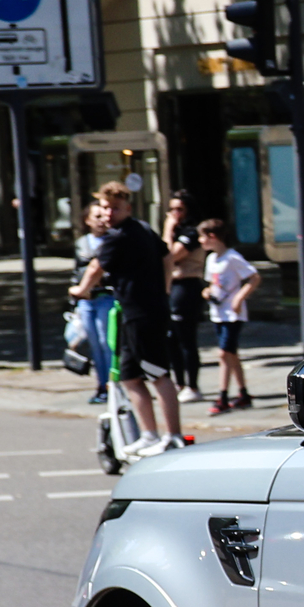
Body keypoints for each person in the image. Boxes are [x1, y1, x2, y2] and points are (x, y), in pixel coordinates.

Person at [70, 182, 182, 456]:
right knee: (130, 376)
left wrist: (80, 290)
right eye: (105, 208)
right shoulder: (142, 228)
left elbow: (96, 266)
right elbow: (167, 257)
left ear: (127, 208)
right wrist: (164, 287)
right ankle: (148, 434)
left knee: (157, 373)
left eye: (115, 208)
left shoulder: (118, 236)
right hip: (135, 311)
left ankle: (173, 436)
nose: (109, 213)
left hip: (142, 313)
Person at [197, 220, 259, 415]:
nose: (200, 241)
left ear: (213, 236)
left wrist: (240, 298)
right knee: (231, 354)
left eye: (202, 236)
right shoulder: (212, 259)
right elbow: (211, 284)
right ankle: (243, 393)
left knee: (223, 353)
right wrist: (207, 292)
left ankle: (222, 396)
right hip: (218, 313)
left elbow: (254, 277)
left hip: (233, 314)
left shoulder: (232, 257)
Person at [164, 192, 207, 403]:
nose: (175, 214)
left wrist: (167, 228)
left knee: (186, 339)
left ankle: (192, 385)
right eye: (172, 209)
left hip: (187, 286)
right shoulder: (177, 232)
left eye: (179, 209)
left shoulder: (191, 233)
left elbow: (169, 255)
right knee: (171, 339)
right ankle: (178, 382)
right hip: (172, 285)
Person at [70, 202, 113, 405]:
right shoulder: (82, 243)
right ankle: (101, 385)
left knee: (107, 343)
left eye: (103, 215)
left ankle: (113, 386)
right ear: (87, 221)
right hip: (87, 300)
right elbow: (76, 270)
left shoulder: (112, 241)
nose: (101, 220)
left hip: (106, 297)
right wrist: (75, 295)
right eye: (96, 216)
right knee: (94, 345)